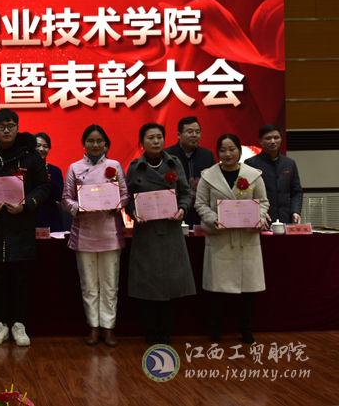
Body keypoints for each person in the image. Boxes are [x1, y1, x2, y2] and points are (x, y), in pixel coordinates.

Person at [0, 109, 50, 347]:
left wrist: (26, 204)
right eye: (1, 126)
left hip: (21, 226)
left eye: (11, 126)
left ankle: (19, 324)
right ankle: (1, 324)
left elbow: (44, 187)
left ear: (17, 128)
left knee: (21, 278)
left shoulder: (31, 156)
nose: (6, 130)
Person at [126, 122, 196, 345]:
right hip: (146, 233)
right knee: (148, 284)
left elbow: (186, 193)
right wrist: (133, 212)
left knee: (169, 283)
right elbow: (127, 198)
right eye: (150, 138)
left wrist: (182, 209)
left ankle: (166, 330)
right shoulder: (135, 167)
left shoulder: (174, 163)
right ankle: (150, 330)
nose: (155, 141)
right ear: (142, 142)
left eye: (159, 137)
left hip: (170, 231)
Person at [195, 134, 269, 344]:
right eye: (223, 150)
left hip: (246, 239)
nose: (228, 154)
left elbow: (263, 201)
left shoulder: (253, 175)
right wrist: (213, 219)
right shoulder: (208, 176)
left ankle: (246, 329)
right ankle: (215, 330)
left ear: (239, 150)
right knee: (217, 292)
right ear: (217, 152)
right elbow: (200, 204)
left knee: (248, 291)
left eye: (232, 149)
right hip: (220, 239)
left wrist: (259, 217)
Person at [61, 125, 128, 347]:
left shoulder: (114, 166)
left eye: (99, 141)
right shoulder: (75, 168)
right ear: (84, 144)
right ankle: (93, 327)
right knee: (89, 285)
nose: (95, 144)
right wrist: (78, 208)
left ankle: (108, 328)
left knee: (110, 284)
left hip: (109, 232)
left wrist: (115, 205)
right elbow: (66, 198)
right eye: (91, 141)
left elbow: (125, 195)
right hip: (85, 233)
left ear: (106, 144)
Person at [245, 124, 303, 224]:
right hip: (262, 219)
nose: (273, 141)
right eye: (268, 138)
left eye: (276, 138)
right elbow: (246, 194)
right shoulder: (251, 164)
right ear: (260, 141)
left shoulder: (289, 163)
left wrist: (295, 211)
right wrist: (258, 212)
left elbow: (296, 192)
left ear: (281, 139)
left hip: (286, 218)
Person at [165, 116, 215, 227]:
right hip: (175, 211)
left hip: (201, 212)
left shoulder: (207, 156)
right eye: (190, 131)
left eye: (197, 132)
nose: (194, 135)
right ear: (179, 135)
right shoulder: (167, 155)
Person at [34, 132, 68, 232]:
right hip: (30, 219)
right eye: (38, 146)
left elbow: (59, 196)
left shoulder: (55, 171)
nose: (41, 149)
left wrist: (49, 181)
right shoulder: (24, 170)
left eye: (45, 146)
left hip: (51, 218)